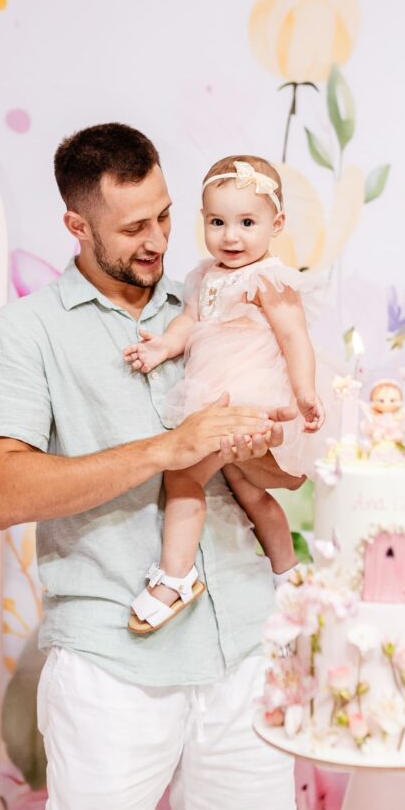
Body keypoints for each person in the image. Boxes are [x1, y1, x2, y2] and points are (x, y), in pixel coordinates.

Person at [0, 123, 298, 810]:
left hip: (245, 645)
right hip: (113, 656)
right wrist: (164, 450)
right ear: (76, 226)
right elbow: (0, 492)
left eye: (165, 216)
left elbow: (286, 476)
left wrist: (272, 442)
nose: (157, 241)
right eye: (133, 227)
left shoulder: (214, 298)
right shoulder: (28, 331)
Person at [123, 154, 325, 633]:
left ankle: (175, 576)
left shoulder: (269, 278)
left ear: (277, 224)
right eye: (218, 222)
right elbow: (189, 321)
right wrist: (163, 347)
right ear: (203, 220)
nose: (231, 236)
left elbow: (295, 338)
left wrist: (304, 392)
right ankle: (289, 576)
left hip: (248, 397)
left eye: (247, 223)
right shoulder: (204, 276)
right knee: (248, 491)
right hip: (212, 397)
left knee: (183, 476)